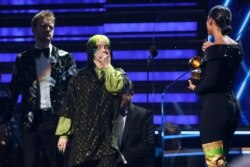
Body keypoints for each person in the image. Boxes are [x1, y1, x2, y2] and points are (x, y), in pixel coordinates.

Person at [0, 10, 77, 167]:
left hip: (56, 123)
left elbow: (74, 95)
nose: (48, 30)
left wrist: (70, 127)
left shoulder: (65, 58)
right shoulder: (23, 59)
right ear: (34, 30)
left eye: (51, 27)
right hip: (30, 123)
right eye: (43, 26)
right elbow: (13, 92)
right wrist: (4, 122)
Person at [55, 34, 129, 167]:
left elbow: (116, 87)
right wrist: (64, 135)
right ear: (91, 51)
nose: (104, 50)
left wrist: (107, 67)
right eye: (99, 47)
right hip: (83, 139)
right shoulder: (78, 77)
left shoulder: (118, 74)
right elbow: (69, 106)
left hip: (107, 140)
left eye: (107, 47)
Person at [187, 5, 243, 167]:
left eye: (207, 20)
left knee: (214, 162)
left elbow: (211, 81)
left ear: (211, 21)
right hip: (231, 107)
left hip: (215, 110)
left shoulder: (215, 50)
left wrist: (195, 88)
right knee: (222, 158)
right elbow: (221, 69)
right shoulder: (236, 47)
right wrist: (210, 52)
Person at [116, 80, 155, 167]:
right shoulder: (108, 114)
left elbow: (147, 143)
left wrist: (122, 157)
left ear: (131, 94)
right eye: (117, 93)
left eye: (123, 93)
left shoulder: (144, 115)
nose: (119, 97)